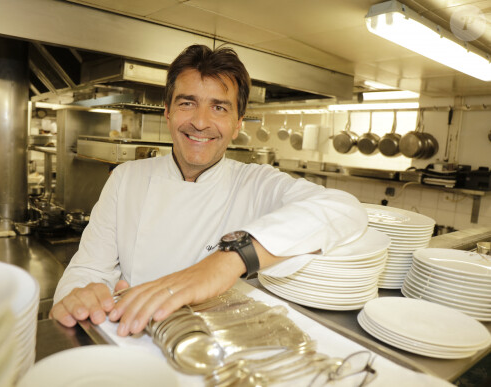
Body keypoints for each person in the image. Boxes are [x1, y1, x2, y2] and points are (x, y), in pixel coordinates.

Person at [51, 44, 367, 336]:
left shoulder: (255, 183)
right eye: (188, 103)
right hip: (131, 336)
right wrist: (81, 297)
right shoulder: (125, 178)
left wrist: (228, 261)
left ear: (238, 122)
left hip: (215, 349)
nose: (201, 122)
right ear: (168, 111)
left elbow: (344, 209)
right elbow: (87, 270)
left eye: (219, 108)